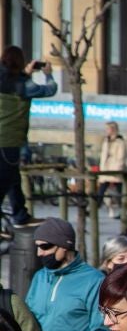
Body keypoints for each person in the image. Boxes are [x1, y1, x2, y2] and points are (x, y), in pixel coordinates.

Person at [26, 218, 111, 331]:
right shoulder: (40, 277)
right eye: (37, 247)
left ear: (65, 246)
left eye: (45, 246)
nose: (40, 253)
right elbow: (27, 323)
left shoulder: (94, 280)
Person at [0, 46, 57, 225]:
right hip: (8, 142)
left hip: (6, 142)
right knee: (6, 181)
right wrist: (48, 74)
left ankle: (20, 215)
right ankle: (20, 216)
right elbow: (50, 89)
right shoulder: (24, 85)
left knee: (13, 180)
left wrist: (25, 73)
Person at [98, 121, 127, 220]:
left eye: (107, 129)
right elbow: (103, 156)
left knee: (120, 191)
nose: (106, 131)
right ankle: (96, 206)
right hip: (105, 170)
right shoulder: (106, 141)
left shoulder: (120, 142)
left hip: (115, 170)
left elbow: (121, 156)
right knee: (102, 190)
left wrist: (117, 169)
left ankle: (125, 211)